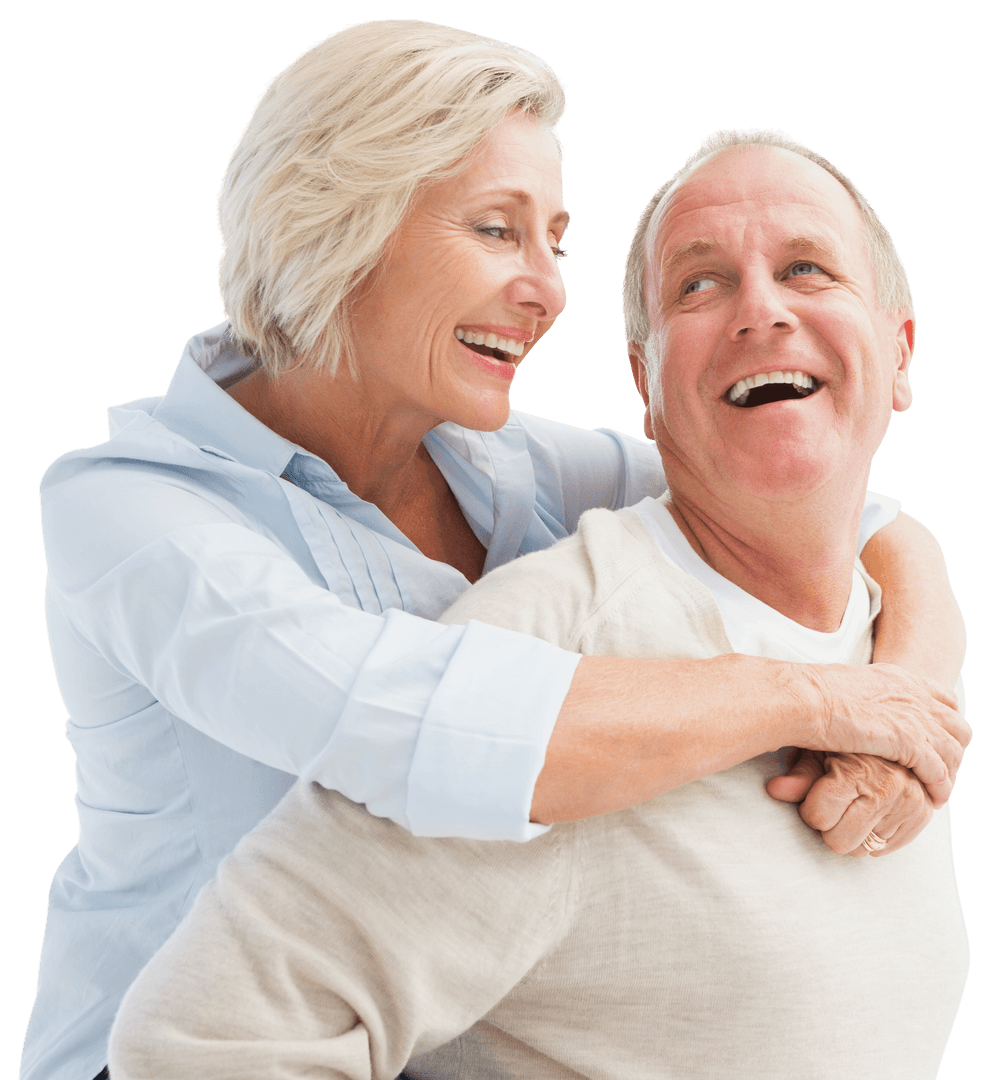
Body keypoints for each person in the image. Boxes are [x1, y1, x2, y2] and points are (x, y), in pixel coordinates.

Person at [26, 22, 966, 1080]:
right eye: (494, 229)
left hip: (422, 1034)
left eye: (553, 241)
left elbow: (843, 504)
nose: (548, 290)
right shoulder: (134, 513)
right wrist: (818, 702)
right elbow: (414, 728)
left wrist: (916, 698)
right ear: (343, 227)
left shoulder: (511, 467)